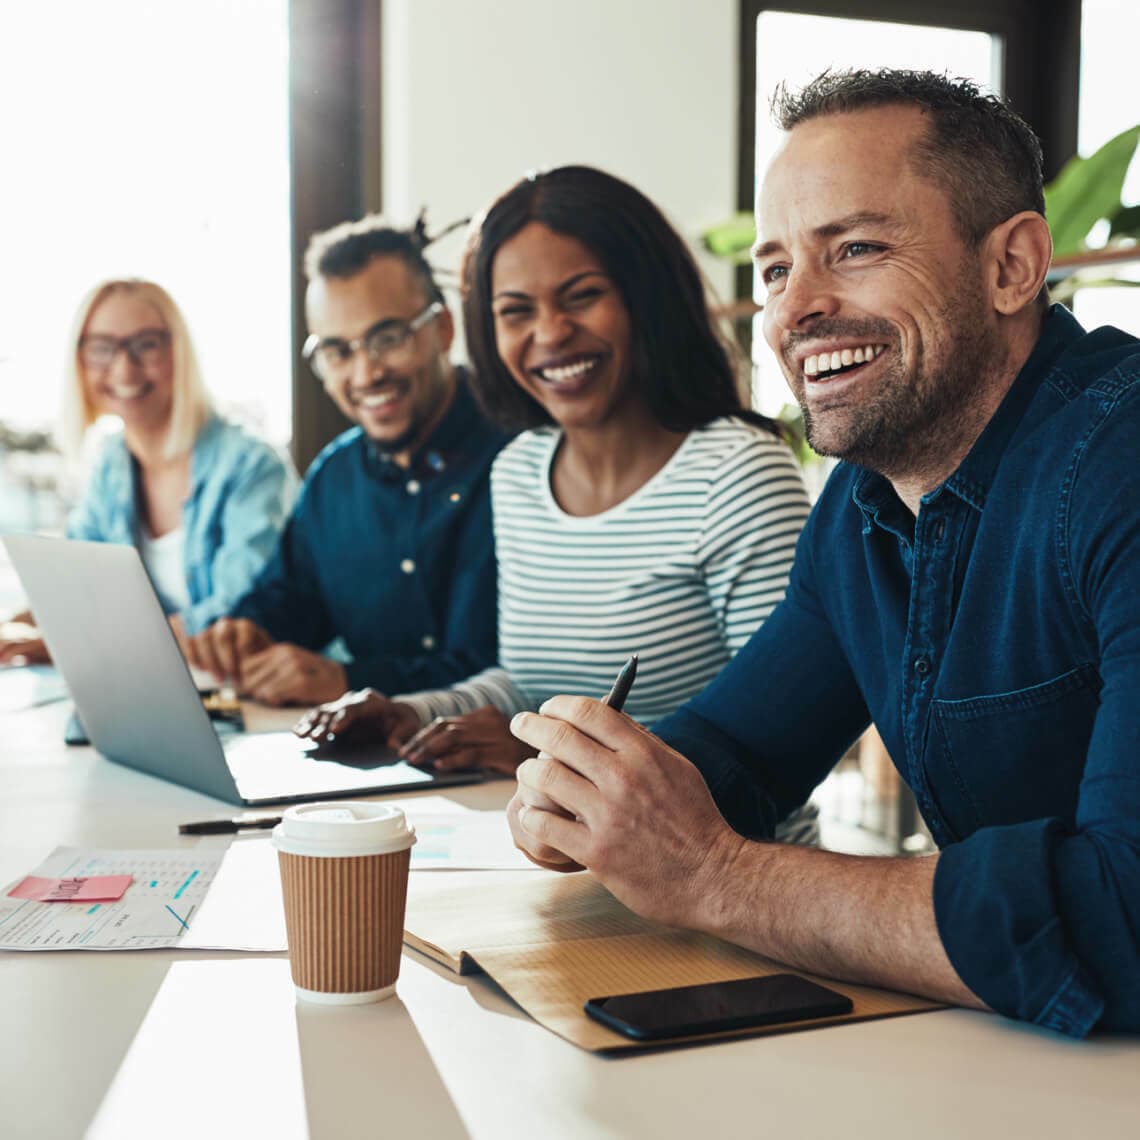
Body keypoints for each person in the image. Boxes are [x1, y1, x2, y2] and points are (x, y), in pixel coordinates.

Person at [505, 70, 1140, 1037]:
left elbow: (1121, 917)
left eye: (856, 247)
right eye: (772, 270)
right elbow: (739, 751)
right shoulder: (862, 501)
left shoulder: (1119, 460)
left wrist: (715, 875)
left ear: (1013, 265)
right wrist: (598, 791)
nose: (795, 310)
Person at [297, 166, 818, 845]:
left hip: (729, 892)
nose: (550, 332)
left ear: (644, 299)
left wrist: (551, 763)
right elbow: (524, 686)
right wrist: (409, 712)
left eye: (583, 296)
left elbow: (787, 737)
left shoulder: (737, 473)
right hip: (565, 873)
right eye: (517, 311)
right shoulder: (517, 471)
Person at [187, 216, 509, 706]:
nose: (366, 373)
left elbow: (508, 670)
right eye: (337, 351)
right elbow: (289, 601)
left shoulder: (522, 460)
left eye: (388, 339)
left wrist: (349, 680)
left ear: (442, 328)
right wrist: (245, 632)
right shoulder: (333, 479)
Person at [0, 278, 293, 666]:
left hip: (255, 693)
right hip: (158, 686)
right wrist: (17, 626)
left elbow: (234, 618)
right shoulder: (111, 465)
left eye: (146, 345)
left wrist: (71, 643)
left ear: (179, 351)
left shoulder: (251, 466)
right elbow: (73, 587)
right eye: (102, 348)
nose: (124, 368)